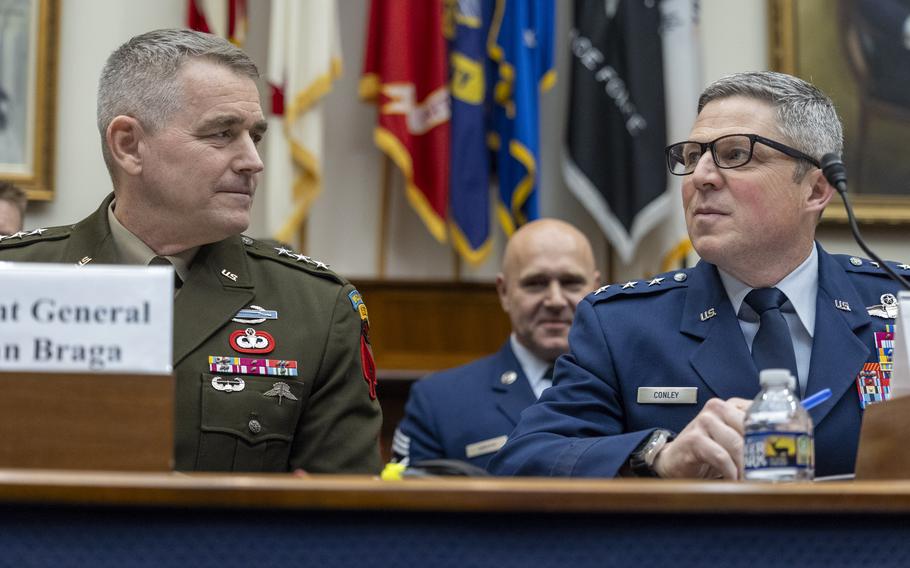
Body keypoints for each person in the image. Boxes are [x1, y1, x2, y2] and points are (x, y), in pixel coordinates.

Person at [489, 71, 906, 480]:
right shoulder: (621, 325)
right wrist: (655, 455)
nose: (700, 177)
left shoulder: (899, 305)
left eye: (736, 154)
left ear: (815, 190)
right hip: (700, 549)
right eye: (692, 157)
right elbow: (525, 459)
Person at [0, 29, 382, 474]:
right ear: (128, 144)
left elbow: (342, 516)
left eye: (254, 137)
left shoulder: (316, 308)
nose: (252, 161)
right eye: (222, 133)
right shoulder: (14, 276)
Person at [392, 219, 600, 469]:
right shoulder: (439, 402)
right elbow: (412, 503)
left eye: (570, 283)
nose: (555, 300)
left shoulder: (630, 390)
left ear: (595, 289)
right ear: (504, 293)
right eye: (535, 283)